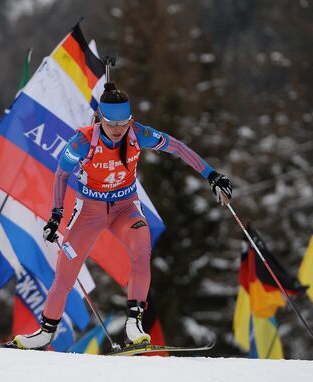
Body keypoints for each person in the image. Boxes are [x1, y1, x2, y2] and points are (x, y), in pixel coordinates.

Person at [12, 82, 232, 350]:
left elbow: (177, 147)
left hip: (125, 209)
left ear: (130, 119)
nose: (117, 130)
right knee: (65, 274)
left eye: (123, 123)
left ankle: (134, 322)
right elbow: (61, 174)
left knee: (142, 251)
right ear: (100, 119)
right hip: (89, 213)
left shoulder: (139, 134)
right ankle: (46, 333)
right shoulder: (82, 142)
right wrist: (56, 215)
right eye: (110, 124)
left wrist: (212, 175)